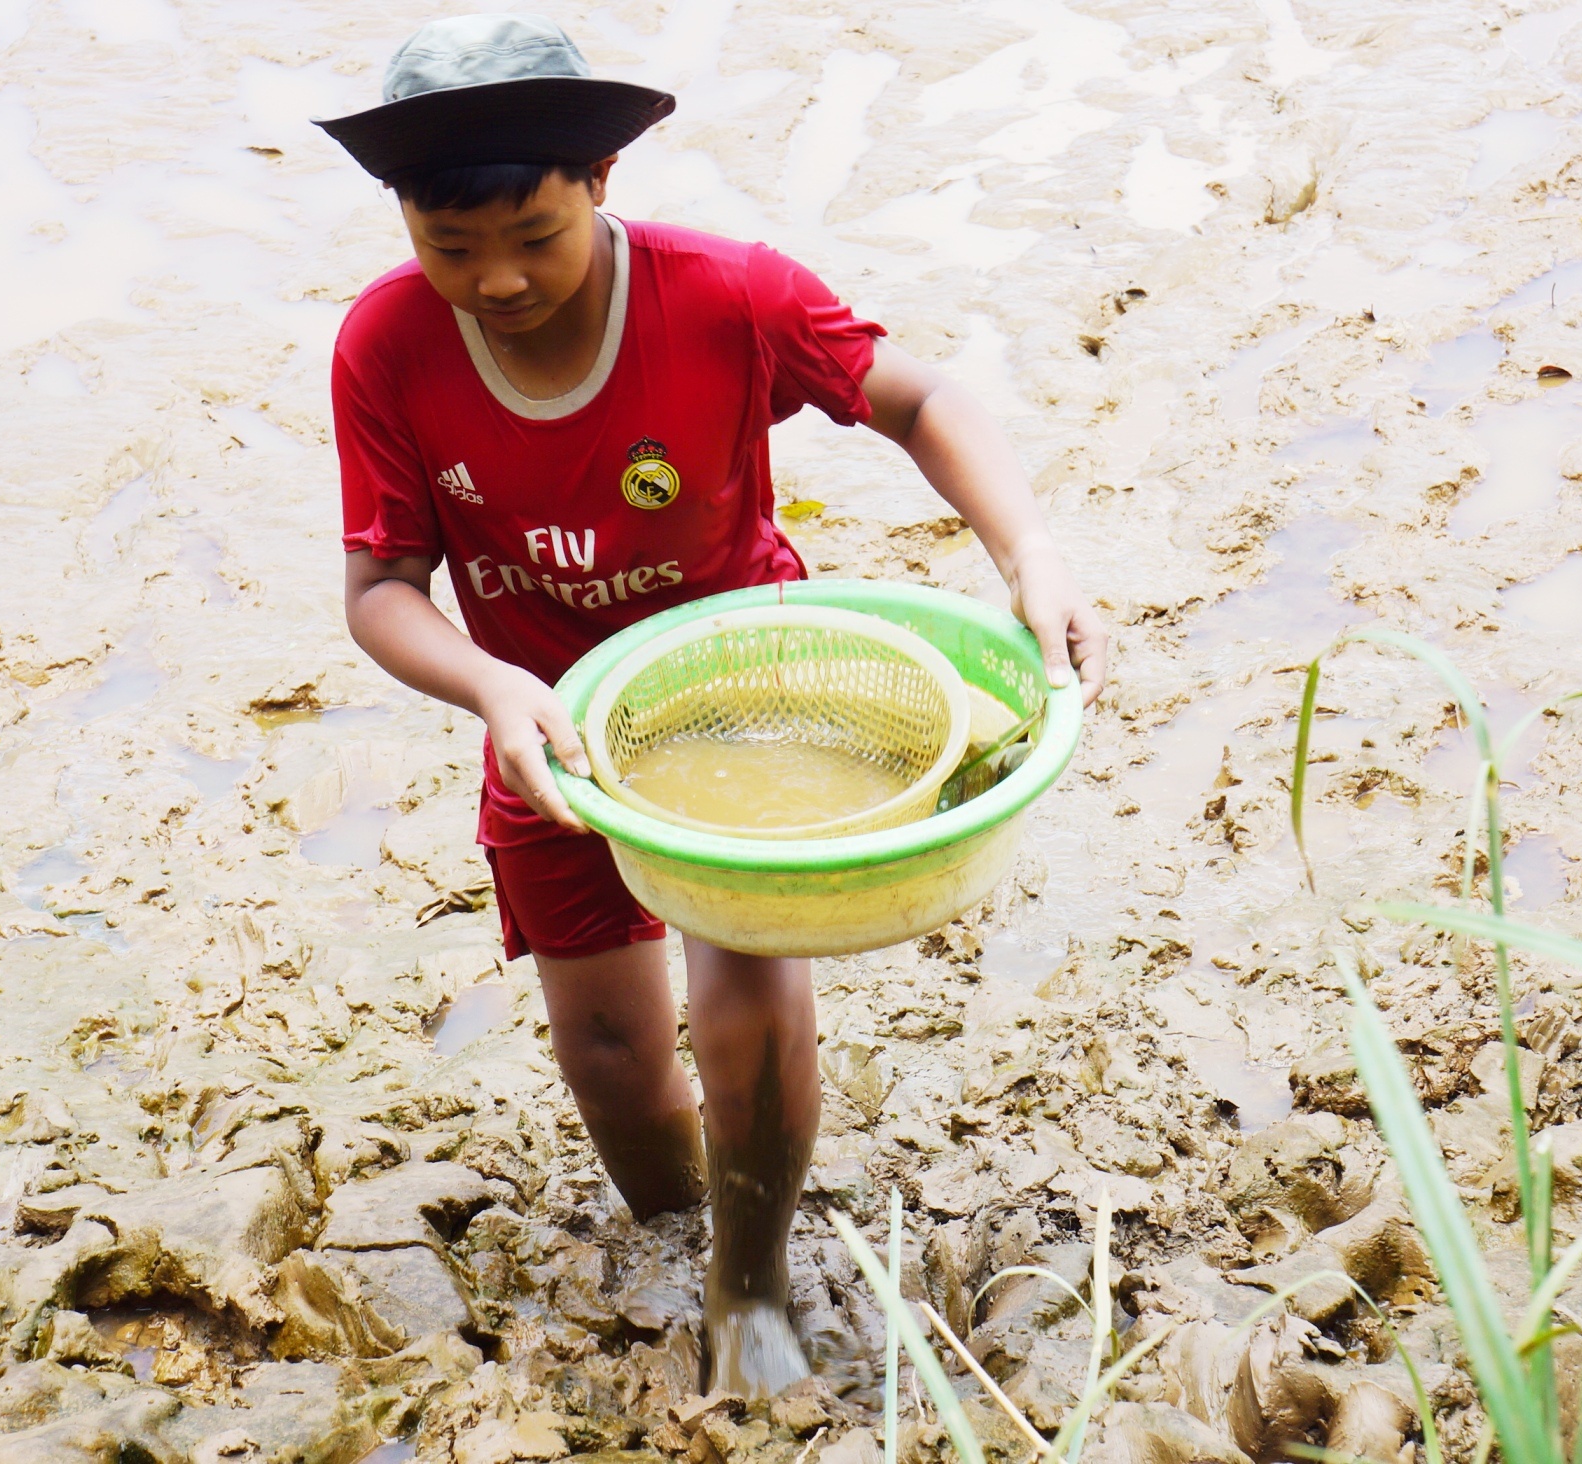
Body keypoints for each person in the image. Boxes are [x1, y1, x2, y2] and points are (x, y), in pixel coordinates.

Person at [315, 13, 1106, 1395]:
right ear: (405, 223)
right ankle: (680, 1226)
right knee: (613, 1057)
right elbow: (381, 585)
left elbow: (921, 401)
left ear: (603, 182)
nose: (495, 282)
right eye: (451, 250)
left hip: (749, 704)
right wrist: (495, 685)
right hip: (550, 732)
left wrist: (1030, 552)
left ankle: (749, 1283)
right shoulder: (386, 346)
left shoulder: (727, 296)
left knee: (743, 1009)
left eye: (535, 238)